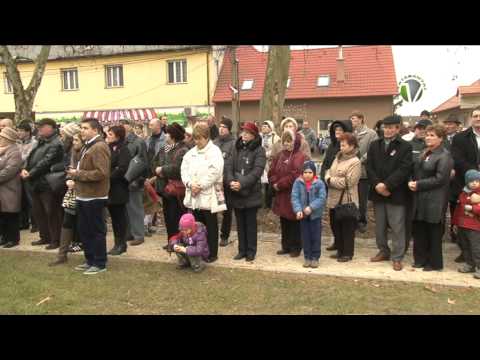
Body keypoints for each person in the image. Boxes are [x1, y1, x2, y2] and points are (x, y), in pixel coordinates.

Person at [367, 114, 413, 271]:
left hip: (396, 193)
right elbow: (370, 167)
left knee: (397, 226)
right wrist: (378, 184)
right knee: (379, 226)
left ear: (397, 128)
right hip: (378, 192)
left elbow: (404, 169)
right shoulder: (374, 145)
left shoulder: (405, 147)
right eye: (384, 127)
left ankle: (397, 257)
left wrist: (387, 185)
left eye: (390, 127)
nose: (386, 130)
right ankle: (383, 251)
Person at [66, 118, 111, 275]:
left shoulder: (99, 146)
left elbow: (102, 173)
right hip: (83, 195)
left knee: (96, 230)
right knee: (85, 230)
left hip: (95, 196)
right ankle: (90, 259)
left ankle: (99, 262)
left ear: (95, 130)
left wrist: (77, 174)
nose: (82, 130)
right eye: (82, 128)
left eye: (85, 128)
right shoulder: (87, 145)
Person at [409, 125, 453, 271]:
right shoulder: (425, 152)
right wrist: (412, 182)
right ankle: (420, 259)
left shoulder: (444, 156)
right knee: (419, 229)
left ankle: (433, 263)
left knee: (432, 231)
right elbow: (416, 170)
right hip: (420, 198)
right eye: (427, 135)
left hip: (435, 199)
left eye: (433, 135)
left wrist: (419, 184)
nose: (428, 137)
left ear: (441, 138)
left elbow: (440, 179)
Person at [181, 122, 224, 263]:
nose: (197, 141)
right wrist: (189, 184)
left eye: (200, 138)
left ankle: (212, 253)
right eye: (195, 138)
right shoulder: (190, 153)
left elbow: (215, 171)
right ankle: (200, 250)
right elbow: (184, 170)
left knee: (210, 225)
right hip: (194, 194)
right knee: (198, 226)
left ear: (207, 137)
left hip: (208, 194)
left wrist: (201, 185)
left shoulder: (215, 151)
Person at [225, 122, 266, 262]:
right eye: (243, 132)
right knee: (240, 223)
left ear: (254, 135)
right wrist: (231, 182)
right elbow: (228, 167)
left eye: (247, 133)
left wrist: (242, 184)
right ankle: (241, 250)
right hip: (236, 192)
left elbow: (257, 171)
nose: (244, 134)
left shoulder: (259, 150)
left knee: (250, 224)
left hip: (251, 193)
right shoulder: (235, 148)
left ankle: (251, 251)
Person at [22, 118, 65, 249]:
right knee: (38, 211)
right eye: (38, 126)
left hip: (48, 182)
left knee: (52, 212)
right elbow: (31, 157)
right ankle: (44, 236)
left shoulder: (56, 143)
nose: (39, 129)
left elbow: (46, 162)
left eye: (42, 126)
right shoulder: (41, 141)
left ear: (51, 127)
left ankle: (55, 239)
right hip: (36, 182)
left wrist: (31, 173)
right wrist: (25, 169)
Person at [48, 133, 85, 266]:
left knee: (87, 225)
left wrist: (77, 180)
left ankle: (91, 257)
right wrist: (69, 179)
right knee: (67, 222)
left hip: (86, 194)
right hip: (72, 193)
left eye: (76, 140)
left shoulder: (88, 153)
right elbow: (70, 170)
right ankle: (62, 255)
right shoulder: (73, 154)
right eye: (73, 139)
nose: (73, 142)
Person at [269, 129, 306, 257]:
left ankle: (296, 247)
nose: (287, 144)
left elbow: (295, 174)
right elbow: (272, 170)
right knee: (284, 220)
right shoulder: (280, 155)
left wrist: (279, 184)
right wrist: (274, 182)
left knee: (294, 221)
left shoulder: (300, 156)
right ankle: (286, 246)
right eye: (285, 141)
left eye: (289, 141)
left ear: (295, 142)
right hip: (281, 194)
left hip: (293, 193)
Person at [325, 133, 361, 262]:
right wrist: (329, 177)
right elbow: (328, 171)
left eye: (344, 145)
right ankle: (340, 250)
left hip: (346, 200)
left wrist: (329, 180)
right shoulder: (337, 157)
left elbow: (348, 182)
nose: (341, 147)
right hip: (333, 199)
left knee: (347, 228)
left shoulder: (355, 162)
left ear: (352, 146)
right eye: (340, 144)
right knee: (335, 226)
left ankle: (347, 253)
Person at [451, 106, 480, 263]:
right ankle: (465, 252)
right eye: (475, 116)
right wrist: (475, 175)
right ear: (470, 118)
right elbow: (458, 159)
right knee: (464, 223)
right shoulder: (460, 138)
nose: (478, 118)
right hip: (465, 185)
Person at [153, 123, 190, 244]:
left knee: (177, 217)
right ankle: (170, 241)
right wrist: (159, 170)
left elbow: (178, 169)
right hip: (165, 189)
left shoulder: (183, 149)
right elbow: (154, 163)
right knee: (168, 217)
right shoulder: (164, 148)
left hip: (176, 191)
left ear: (173, 135)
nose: (165, 135)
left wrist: (162, 170)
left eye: (167, 133)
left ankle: (178, 242)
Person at [291, 160, 327, 268]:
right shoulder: (298, 182)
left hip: (315, 215)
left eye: (310, 172)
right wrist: (298, 210)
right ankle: (307, 257)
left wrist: (311, 207)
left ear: (314, 173)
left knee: (315, 236)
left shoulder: (319, 183)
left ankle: (315, 257)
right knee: (305, 236)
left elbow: (322, 198)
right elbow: (294, 197)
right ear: (302, 173)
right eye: (305, 172)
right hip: (303, 215)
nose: (307, 174)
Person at [119, 119, 148, 247]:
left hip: (134, 180)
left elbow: (143, 163)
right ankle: (129, 233)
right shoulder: (121, 142)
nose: (122, 128)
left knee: (135, 208)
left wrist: (138, 180)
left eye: (124, 126)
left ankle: (139, 235)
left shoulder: (138, 142)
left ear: (130, 127)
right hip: (123, 180)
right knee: (126, 208)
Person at [105, 126, 131, 255]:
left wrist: (107, 177)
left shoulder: (123, 149)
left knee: (119, 217)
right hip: (109, 189)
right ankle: (117, 243)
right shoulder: (108, 148)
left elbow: (121, 168)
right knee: (114, 218)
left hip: (118, 188)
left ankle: (121, 244)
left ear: (118, 136)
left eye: (110, 134)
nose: (108, 136)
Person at [350, 111, 377, 233]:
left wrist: (361, 160)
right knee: (352, 198)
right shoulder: (351, 134)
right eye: (351, 119)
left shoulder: (371, 134)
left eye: (354, 119)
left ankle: (362, 221)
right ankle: (352, 220)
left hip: (363, 172)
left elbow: (373, 150)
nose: (352, 121)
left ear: (361, 119)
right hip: (351, 172)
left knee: (362, 199)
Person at [453, 170, 480, 279]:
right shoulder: (463, 194)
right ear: (466, 182)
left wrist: (473, 208)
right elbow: (458, 210)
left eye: (477, 181)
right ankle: (470, 264)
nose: (474, 183)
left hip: (475, 227)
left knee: (476, 248)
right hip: (463, 225)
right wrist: (455, 223)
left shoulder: (478, 194)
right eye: (471, 181)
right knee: (465, 246)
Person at [214, 116, 236, 247]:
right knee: (214, 207)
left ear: (229, 129)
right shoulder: (214, 142)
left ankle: (224, 235)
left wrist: (228, 179)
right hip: (215, 182)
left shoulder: (233, 143)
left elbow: (232, 163)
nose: (221, 130)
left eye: (224, 128)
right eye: (220, 127)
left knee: (226, 209)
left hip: (226, 181)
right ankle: (212, 233)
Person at [0, 128, 22, 248]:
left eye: (2, 137)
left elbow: (10, 170)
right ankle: (4, 237)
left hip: (10, 189)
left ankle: (13, 239)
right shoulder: (2, 151)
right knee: (3, 214)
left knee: (11, 214)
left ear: (8, 139)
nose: (0, 139)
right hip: (2, 188)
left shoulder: (14, 152)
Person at [443, 113, 462, 245]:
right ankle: (439, 233)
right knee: (441, 207)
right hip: (443, 177)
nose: (448, 126)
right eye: (447, 123)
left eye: (451, 124)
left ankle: (455, 233)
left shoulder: (461, 138)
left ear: (457, 126)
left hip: (457, 178)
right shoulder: (441, 139)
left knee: (456, 207)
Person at [16, 121, 37, 231]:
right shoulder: (17, 142)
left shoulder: (34, 143)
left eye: (21, 131)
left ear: (28, 132)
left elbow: (27, 157)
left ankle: (35, 223)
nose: (18, 133)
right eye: (18, 130)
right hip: (17, 173)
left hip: (28, 173)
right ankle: (23, 222)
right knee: (21, 199)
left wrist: (15, 159)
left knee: (31, 199)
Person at [260, 120, 280, 209]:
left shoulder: (275, 138)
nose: (263, 128)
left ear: (270, 128)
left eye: (266, 126)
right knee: (261, 184)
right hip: (260, 163)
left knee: (270, 184)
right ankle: (262, 203)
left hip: (270, 163)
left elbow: (277, 150)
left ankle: (270, 204)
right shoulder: (259, 136)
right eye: (263, 126)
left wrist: (266, 154)